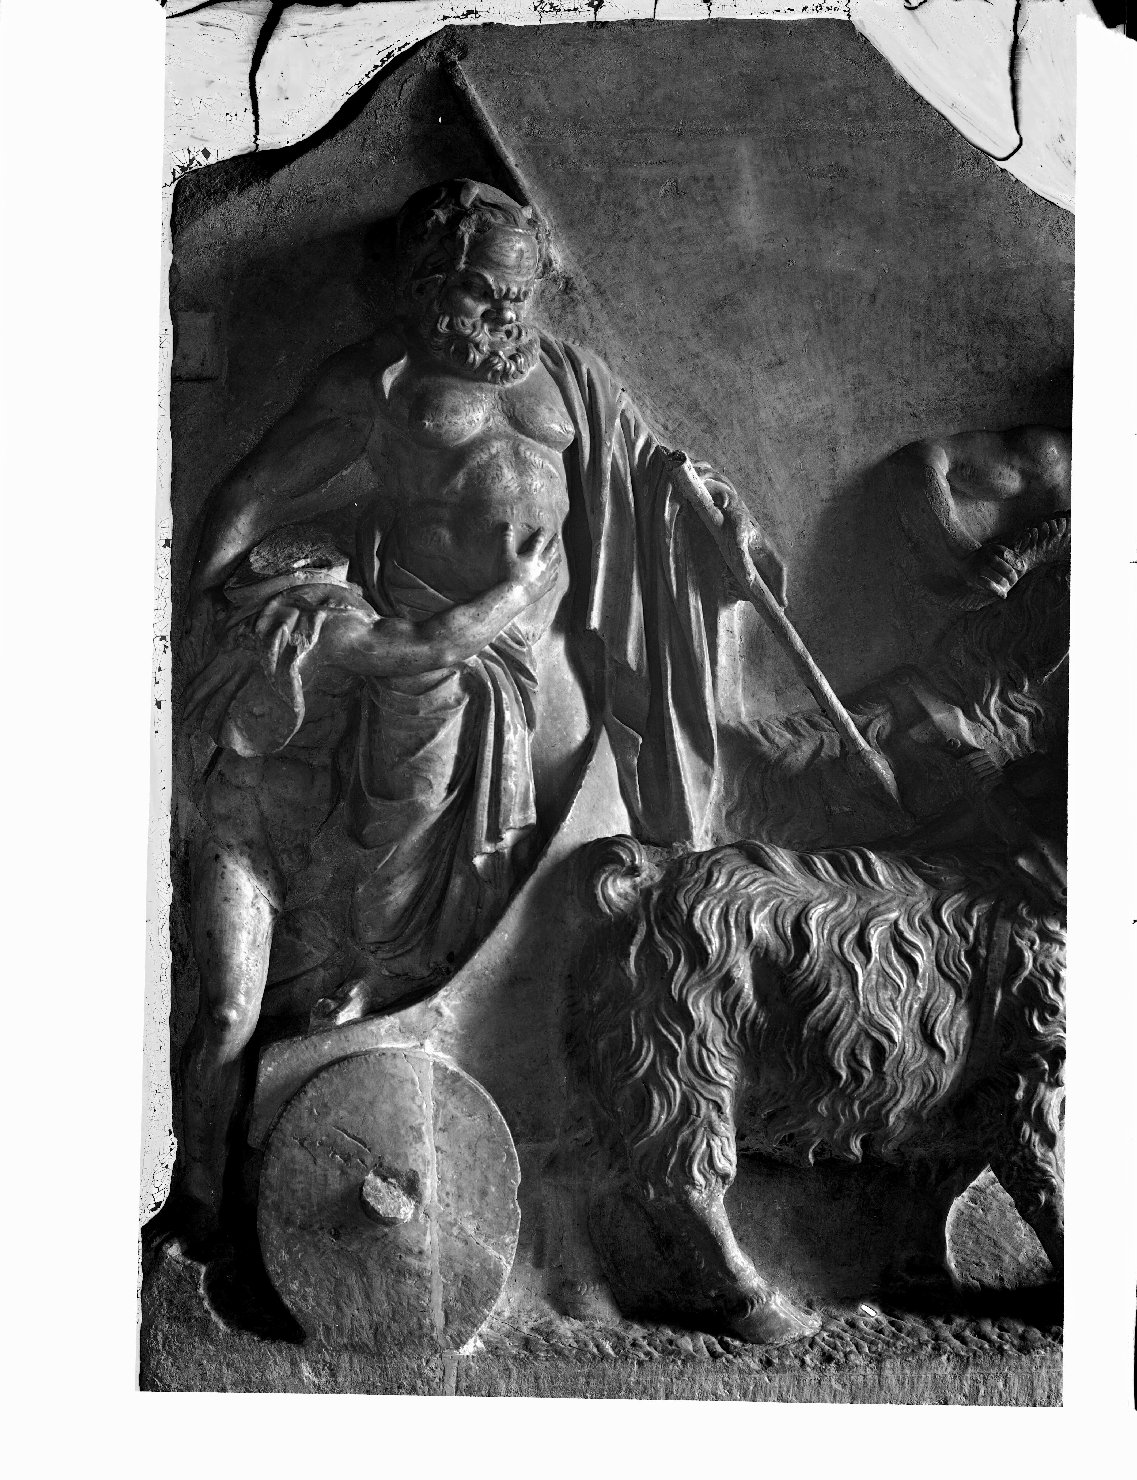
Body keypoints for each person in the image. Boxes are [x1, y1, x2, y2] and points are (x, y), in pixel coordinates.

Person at [176, 178, 784, 1244]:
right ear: (428, 286)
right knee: (390, 898)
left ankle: (553, 1131)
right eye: (483, 293)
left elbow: (642, 475)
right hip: (429, 674)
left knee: (560, 882)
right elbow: (254, 494)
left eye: (520, 293)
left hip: (554, 670)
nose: (507, 315)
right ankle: (351, 1077)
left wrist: (708, 512)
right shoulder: (377, 382)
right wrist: (211, 595)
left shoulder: (572, 377)